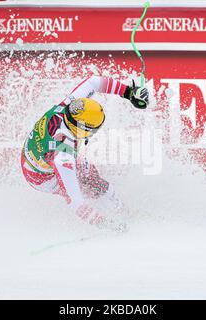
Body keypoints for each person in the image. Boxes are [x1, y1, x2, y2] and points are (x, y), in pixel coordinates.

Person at [21, 76, 149, 231]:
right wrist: (106, 224)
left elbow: (94, 82)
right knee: (86, 189)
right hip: (41, 177)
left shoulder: (71, 106)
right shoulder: (63, 155)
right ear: (83, 128)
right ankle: (114, 210)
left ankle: (119, 207)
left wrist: (128, 92)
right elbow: (76, 203)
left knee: (93, 178)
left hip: (41, 152)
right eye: (94, 130)